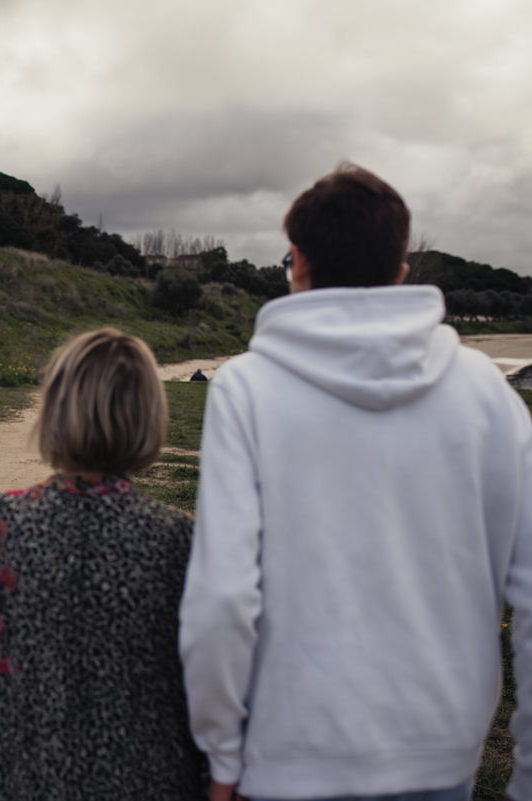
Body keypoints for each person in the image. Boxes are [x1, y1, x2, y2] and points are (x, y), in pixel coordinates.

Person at [179, 164, 532, 801]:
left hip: (287, 755)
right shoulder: (488, 394)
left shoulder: (247, 388)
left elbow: (224, 598)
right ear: (400, 271)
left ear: (299, 263)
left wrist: (220, 753)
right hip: (442, 753)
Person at [0, 328, 205, 800]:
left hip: (5, 779)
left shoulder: (3, 525)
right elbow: (212, 696)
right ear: (151, 419)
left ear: (54, 415)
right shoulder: (181, 541)